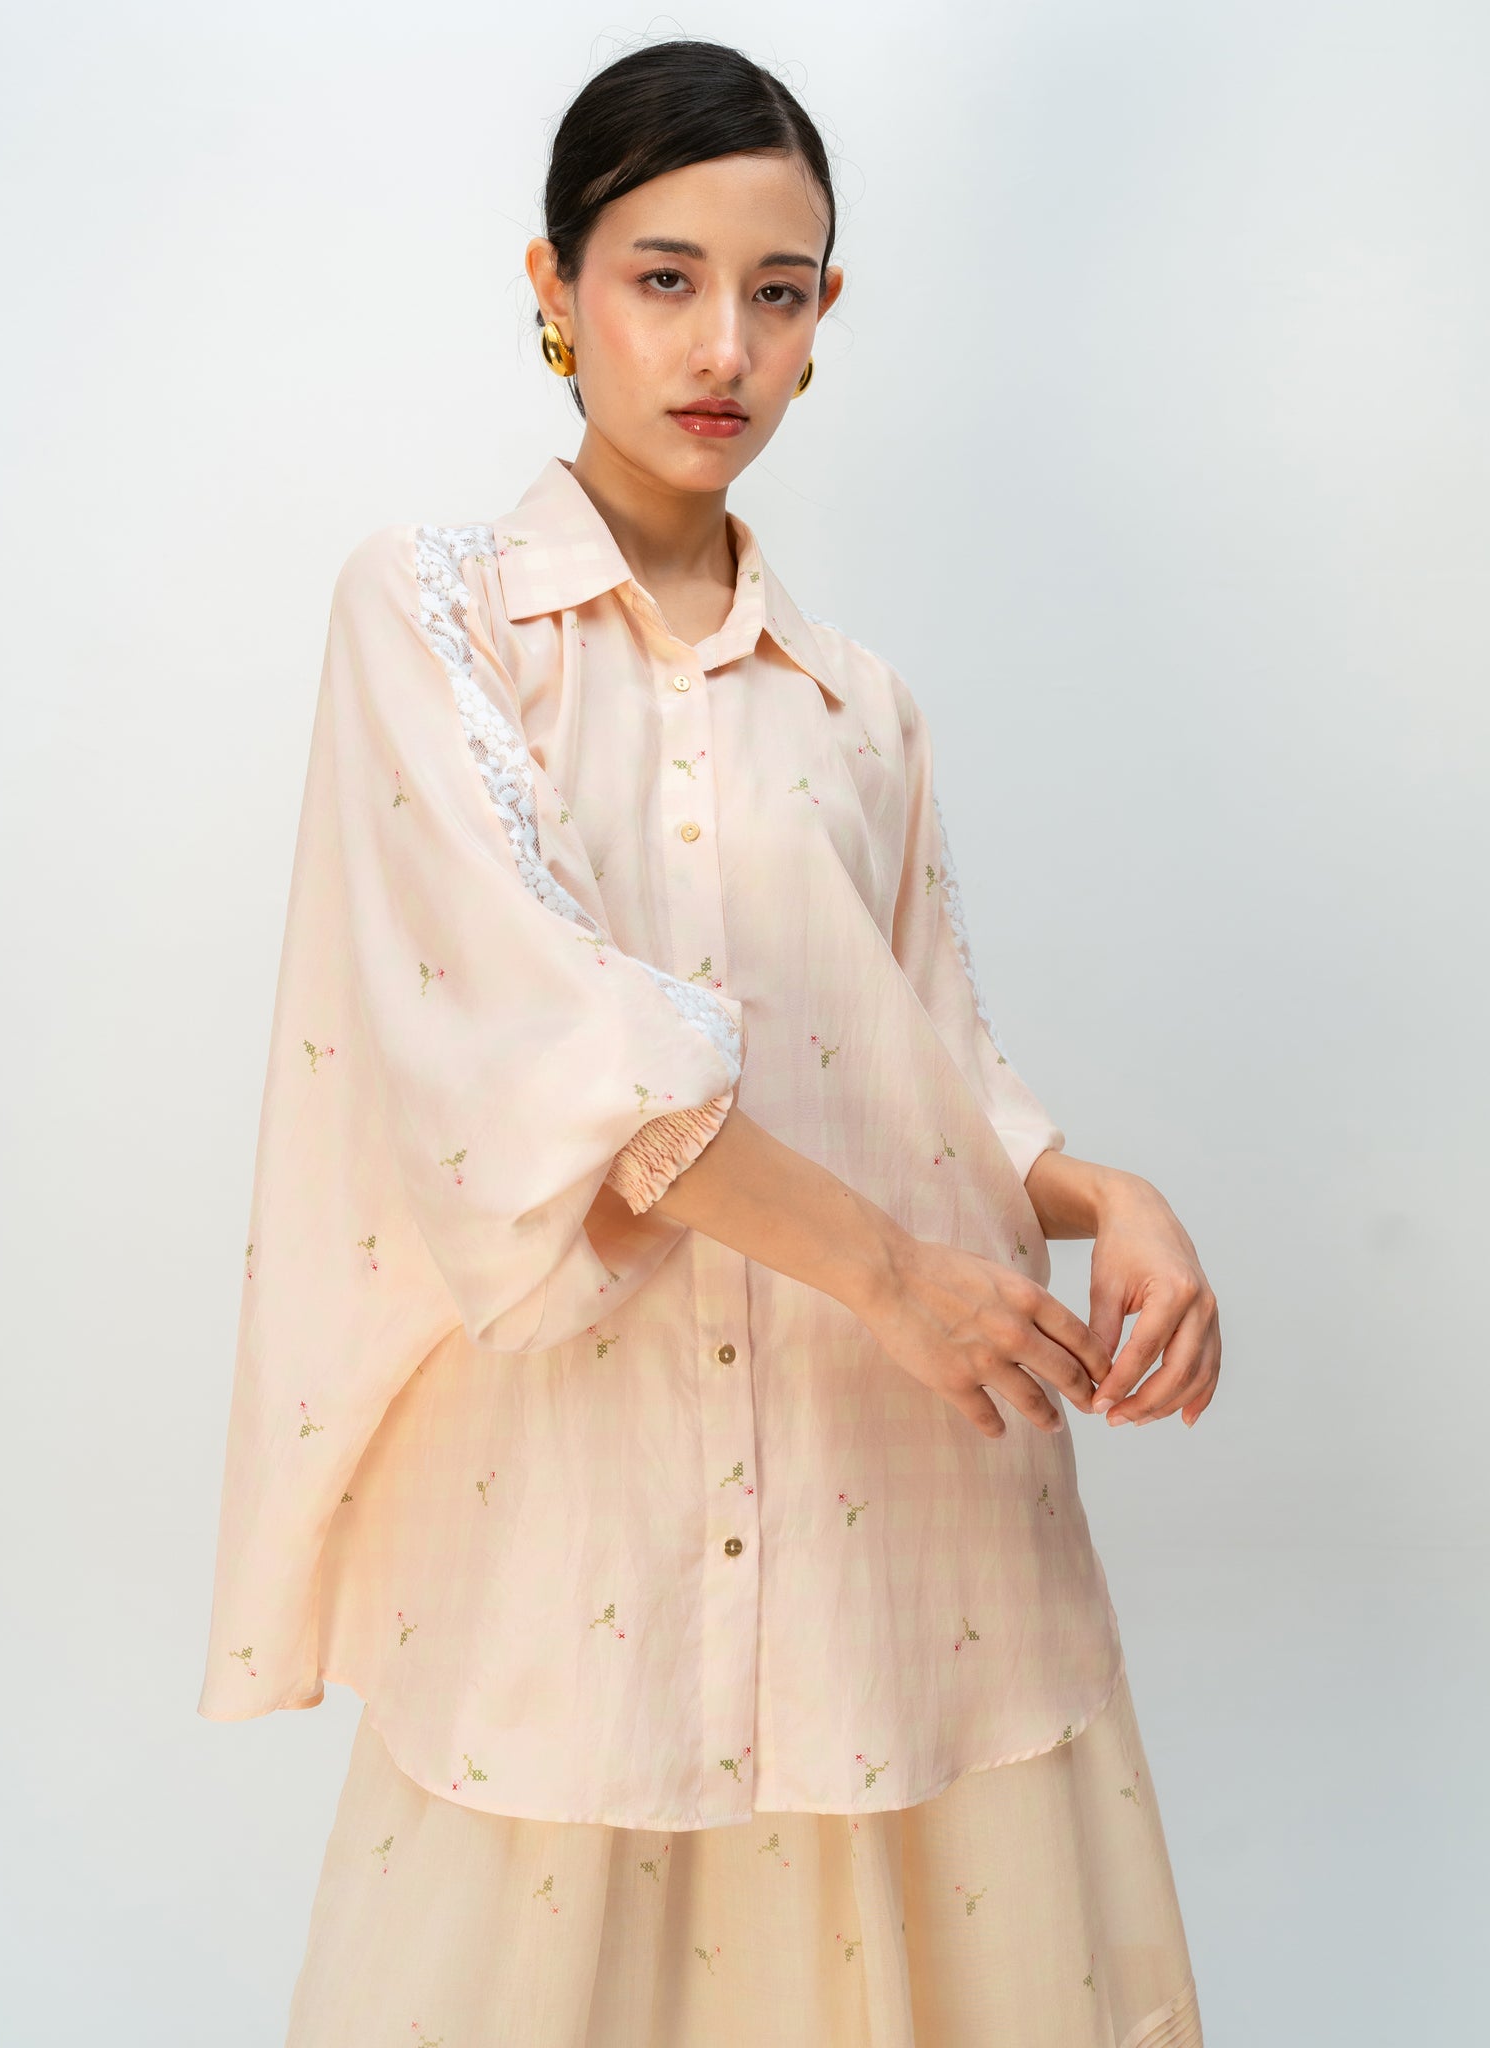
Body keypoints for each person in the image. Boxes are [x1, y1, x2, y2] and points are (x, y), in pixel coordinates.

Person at [197, 35, 1218, 2047]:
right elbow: (541, 1049)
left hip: (898, 1511)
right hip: (579, 1509)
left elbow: (942, 1077)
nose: (721, 347)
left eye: (778, 291)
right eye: (663, 278)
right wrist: (893, 1274)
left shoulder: (858, 704)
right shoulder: (437, 621)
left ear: (827, 319)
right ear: (556, 285)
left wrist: (1114, 1199)